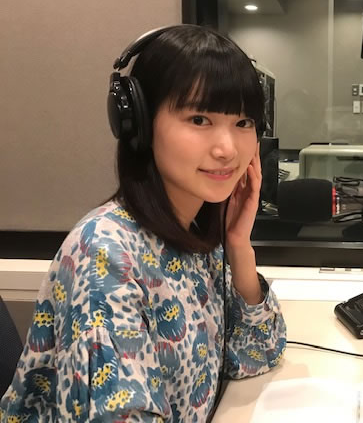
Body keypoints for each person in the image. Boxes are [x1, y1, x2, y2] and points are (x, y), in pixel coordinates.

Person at [0, 25, 287, 422]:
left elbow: (259, 352)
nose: (227, 149)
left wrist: (239, 244)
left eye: (243, 123)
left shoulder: (196, 237)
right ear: (139, 123)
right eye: (200, 119)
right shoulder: (105, 258)